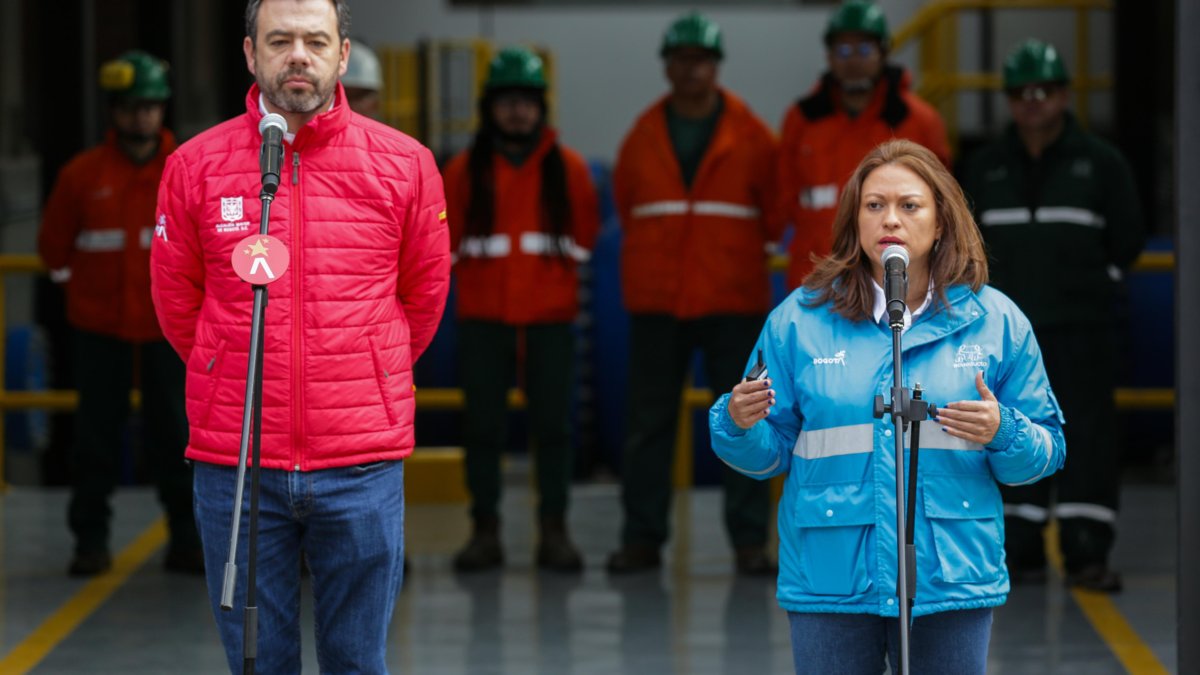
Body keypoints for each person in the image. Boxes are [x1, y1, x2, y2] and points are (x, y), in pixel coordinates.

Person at [150, 0, 450, 671]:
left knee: (356, 660)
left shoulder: (405, 166)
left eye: (316, 40)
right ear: (250, 54)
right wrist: (226, 365)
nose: (298, 56)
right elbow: (177, 302)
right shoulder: (194, 167)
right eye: (279, 39)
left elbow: (424, 298)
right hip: (238, 463)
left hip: (361, 462)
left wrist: (368, 371)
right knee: (259, 661)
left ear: (342, 55)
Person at [710, 139, 1066, 674]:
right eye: (874, 206)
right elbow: (767, 456)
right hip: (831, 576)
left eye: (909, 205)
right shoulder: (799, 320)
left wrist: (1005, 431)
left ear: (942, 221)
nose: (890, 220)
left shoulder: (996, 322)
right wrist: (737, 424)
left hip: (950, 574)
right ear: (855, 222)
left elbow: (1047, 451)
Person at [961, 39, 1145, 593]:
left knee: (1087, 438)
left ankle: (1087, 550)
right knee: (1010, 433)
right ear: (1009, 101)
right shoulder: (984, 168)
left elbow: (1128, 242)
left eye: (1044, 91)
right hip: (1008, 341)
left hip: (1084, 331)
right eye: (1021, 93)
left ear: (1064, 95)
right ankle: (1018, 551)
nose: (1033, 102)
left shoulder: (1103, 165)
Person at [608, 12, 781, 576]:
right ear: (668, 66)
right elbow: (630, 205)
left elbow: (776, 214)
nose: (691, 70)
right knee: (649, 425)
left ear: (715, 66)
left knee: (747, 420)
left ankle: (750, 542)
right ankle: (641, 539)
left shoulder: (754, 139)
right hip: (659, 303)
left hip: (734, 301)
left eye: (700, 60)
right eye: (681, 59)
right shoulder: (642, 137)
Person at [37, 49, 202, 577]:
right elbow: (52, 250)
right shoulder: (80, 177)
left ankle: (189, 542)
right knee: (95, 441)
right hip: (100, 330)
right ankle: (90, 543)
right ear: (113, 110)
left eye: (151, 106)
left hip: (167, 331)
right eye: (131, 106)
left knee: (179, 438)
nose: (142, 117)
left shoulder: (190, 171)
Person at [443, 47, 600, 573]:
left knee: (554, 430)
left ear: (541, 108)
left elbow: (584, 239)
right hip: (484, 318)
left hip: (550, 320)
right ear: (490, 108)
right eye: (507, 102)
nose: (516, 112)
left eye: (526, 102)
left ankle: (553, 532)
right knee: (482, 428)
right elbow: (448, 241)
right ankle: (483, 531)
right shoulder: (464, 171)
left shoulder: (570, 170)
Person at [778, 0, 949, 289]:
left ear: (884, 54)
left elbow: (942, 206)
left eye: (865, 50)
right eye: (843, 50)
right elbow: (780, 201)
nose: (853, 61)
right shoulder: (802, 120)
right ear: (829, 57)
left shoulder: (919, 122)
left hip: (895, 282)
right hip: (816, 280)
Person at [343, 37, 382, 118]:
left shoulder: (385, 131)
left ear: (376, 103)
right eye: (344, 95)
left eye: (359, 96)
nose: (353, 105)